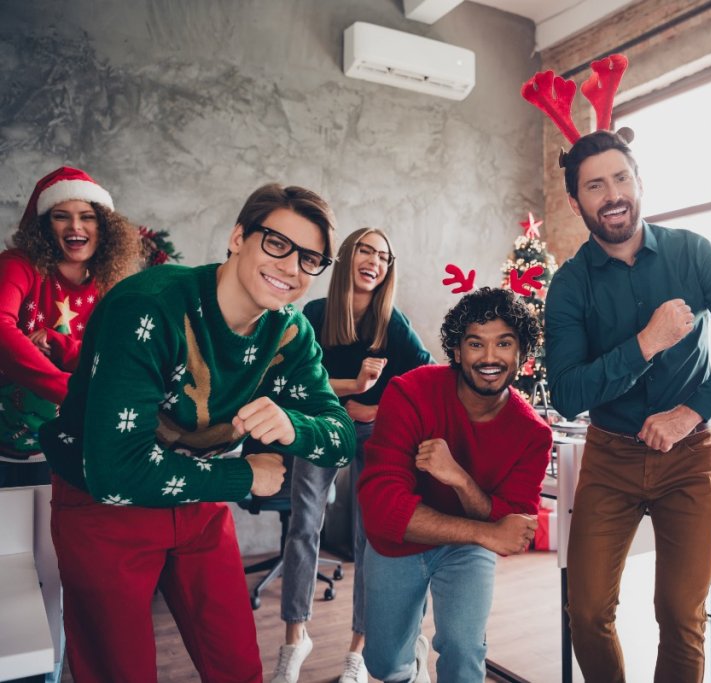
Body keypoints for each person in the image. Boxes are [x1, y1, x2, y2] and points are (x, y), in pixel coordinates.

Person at [39, 183, 356, 683]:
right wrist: (244, 476)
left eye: (311, 258)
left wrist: (292, 425)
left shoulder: (290, 331)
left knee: (236, 665)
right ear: (238, 237)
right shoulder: (147, 307)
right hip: (101, 502)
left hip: (196, 498)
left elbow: (341, 437)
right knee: (119, 671)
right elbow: (116, 471)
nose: (292, 268)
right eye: (277, 243)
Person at [544, 129, 711, 683]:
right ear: (577, 202)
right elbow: (568, 395)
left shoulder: (691, 253)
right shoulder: (570, 285)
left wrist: (690, 412)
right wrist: (646, 343)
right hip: (610, 460)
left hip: (691, 458)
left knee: (680, 615)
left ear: (639, 182)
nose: (613, 194)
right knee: (588, 613)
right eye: (596, 186)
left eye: (621, 178)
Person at [357, 287, 552, 683]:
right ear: (458, 351)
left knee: (465, 653)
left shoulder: (533, 433)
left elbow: (513, 529)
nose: (490, 357)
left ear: (520, 354)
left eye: (504, 344)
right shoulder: (409, 393)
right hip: (399, 545)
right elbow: (382, 512)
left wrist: (460, 480)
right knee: (383, 663)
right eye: (476, 343)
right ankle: (409, 661)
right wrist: (487, 529)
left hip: (466, 551)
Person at [271, 227, 433, 683]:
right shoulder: (315, 314)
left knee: (368, 539)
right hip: (321, 429)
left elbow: (424, 380)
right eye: (366, 250)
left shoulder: (391, 322)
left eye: (383, 256)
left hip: (375, 434)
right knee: (304, 526)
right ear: (346, 258)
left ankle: (358, 651)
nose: (374, 261)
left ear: (387, 269)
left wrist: (377, 406)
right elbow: (299, 382)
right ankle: (294, 638)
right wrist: (349, 393)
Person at [0, 166, 139, 486]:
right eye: (61, 215)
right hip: (6, 449)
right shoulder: (18, 266)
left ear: (104, 226)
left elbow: (115, 361)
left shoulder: (110, 287)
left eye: (87, 216)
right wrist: (69, 389)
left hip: (73, 449)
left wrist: (59, 344)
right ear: (44, 226)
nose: (75, 226)